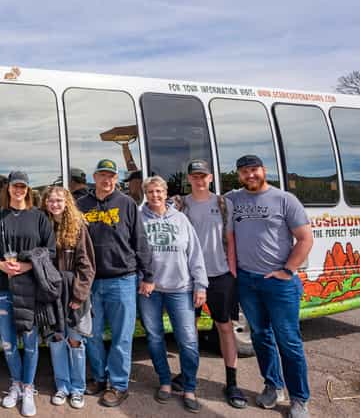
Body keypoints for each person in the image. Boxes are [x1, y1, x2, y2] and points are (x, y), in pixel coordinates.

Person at [227, 155, 313, 418]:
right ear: (239, 175)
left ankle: (299, 399)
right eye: (244, 172)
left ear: (263, 171)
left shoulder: (285, 200)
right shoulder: (232, 200)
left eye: (254, 170)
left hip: (279, 284)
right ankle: (273, 386)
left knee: (289, 341)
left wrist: (287, 271)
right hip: (247, 280)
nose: (249, 175)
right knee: (261, 337)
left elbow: (305, 238)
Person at [78, 159, 154, 408]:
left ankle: (118, 385)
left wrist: (148, 275)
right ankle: (100, 378)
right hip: (91, 282)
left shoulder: (127, 203)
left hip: (123, 279)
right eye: (102, 175)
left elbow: (140, 240)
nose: (107, 180)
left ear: (116, 178)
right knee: (92, 334)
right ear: (95, 176)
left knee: (122, 336)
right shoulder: (81, 205)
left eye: (111, 176)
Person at [173, 159, 246, 409]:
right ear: (189, 179)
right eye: (195, 176)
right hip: (190, 278)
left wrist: (232, 270)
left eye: (203, 176)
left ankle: (232, 382)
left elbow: (230, 238)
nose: (199, 180)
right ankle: (187, 375)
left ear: (211, 177)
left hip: (219, 275)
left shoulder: (224, 203)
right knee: (188, 330)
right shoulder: (181, 205)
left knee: (224, 327)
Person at [0, 170, 56, 417]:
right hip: (4, 286)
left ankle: (28, 388)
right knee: (8, 342)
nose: (18, 190)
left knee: (31, 341)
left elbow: (50, 251)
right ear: (8, 189)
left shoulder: (38, 217)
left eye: (23, 187)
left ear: (28, 190)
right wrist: (0, 264)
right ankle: (15, 383)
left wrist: (27, 266)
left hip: (30, 288)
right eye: (15, 186)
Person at [138, 175, 208, 413]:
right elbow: (134, 254)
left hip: (181, 289)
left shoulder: (181, 219)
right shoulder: (139, 219)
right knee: (155, 338)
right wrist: (143, 279)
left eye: (159, 191)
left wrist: (201, 285)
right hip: (150, 290)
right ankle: (165, 382)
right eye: (150, 192)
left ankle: (189, 386)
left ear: (166, 193)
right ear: (145, 195)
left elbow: (195, 253)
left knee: (187, 341)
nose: (155, 196)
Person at [39, 186, 95, 409]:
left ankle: (78, 389)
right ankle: (62, 386)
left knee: (75, 339)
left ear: (67, 202)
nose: (54, 204)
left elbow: (87, 265)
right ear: (45, 203)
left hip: (73, 293)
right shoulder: (43, 226)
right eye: (50, 201)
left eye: (59, 201)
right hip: (52, 294)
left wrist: (79, 295)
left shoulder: (78, 226)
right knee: (57, 339)